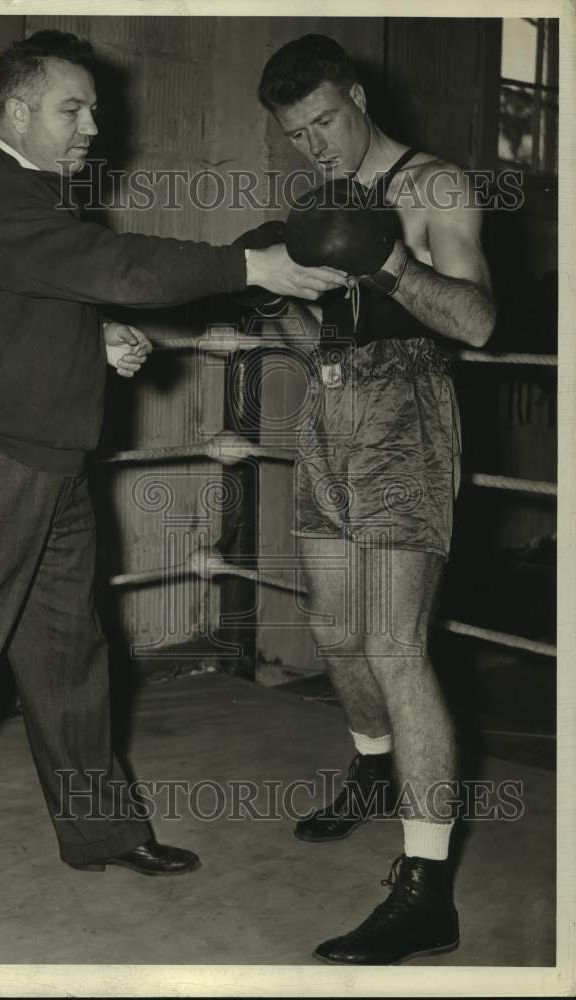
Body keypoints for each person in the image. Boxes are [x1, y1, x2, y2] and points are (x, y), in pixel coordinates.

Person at [0, 29, 344, 923]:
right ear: (16, 111)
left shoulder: (43, 205)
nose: (91, 125)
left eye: (92, 109)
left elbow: (45, 301)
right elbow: (112, 267)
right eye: (72, 109)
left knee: (70, 660)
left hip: (52, 468)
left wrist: (99, 337)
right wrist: (248, 264)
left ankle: (102, 832)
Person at [255, 34, 496, 964]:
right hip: (328, 414)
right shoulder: (315, 198)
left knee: (397, 645)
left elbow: (476, 320)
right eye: (296, 134)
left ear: (357, 96)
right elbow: (315, 344)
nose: (314, 146)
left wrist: (387, 262)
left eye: (325, 122)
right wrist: (270, 306)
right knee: (333, 630)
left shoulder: (435, 187)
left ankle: (425, 888)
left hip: (409, 418)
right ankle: (368, 770)